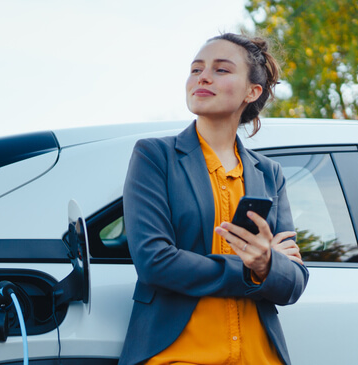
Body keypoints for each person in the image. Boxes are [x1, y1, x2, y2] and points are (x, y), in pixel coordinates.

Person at [119, 33, 308, 365]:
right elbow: (154, 262)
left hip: (260, 357)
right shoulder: (155, 157)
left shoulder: (270, 173)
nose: (202, 77)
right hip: (177, 357)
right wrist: (256, 269)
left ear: (253, 91)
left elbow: (293, 283)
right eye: (196, 69)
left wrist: (269, 265)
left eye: (221, 70)